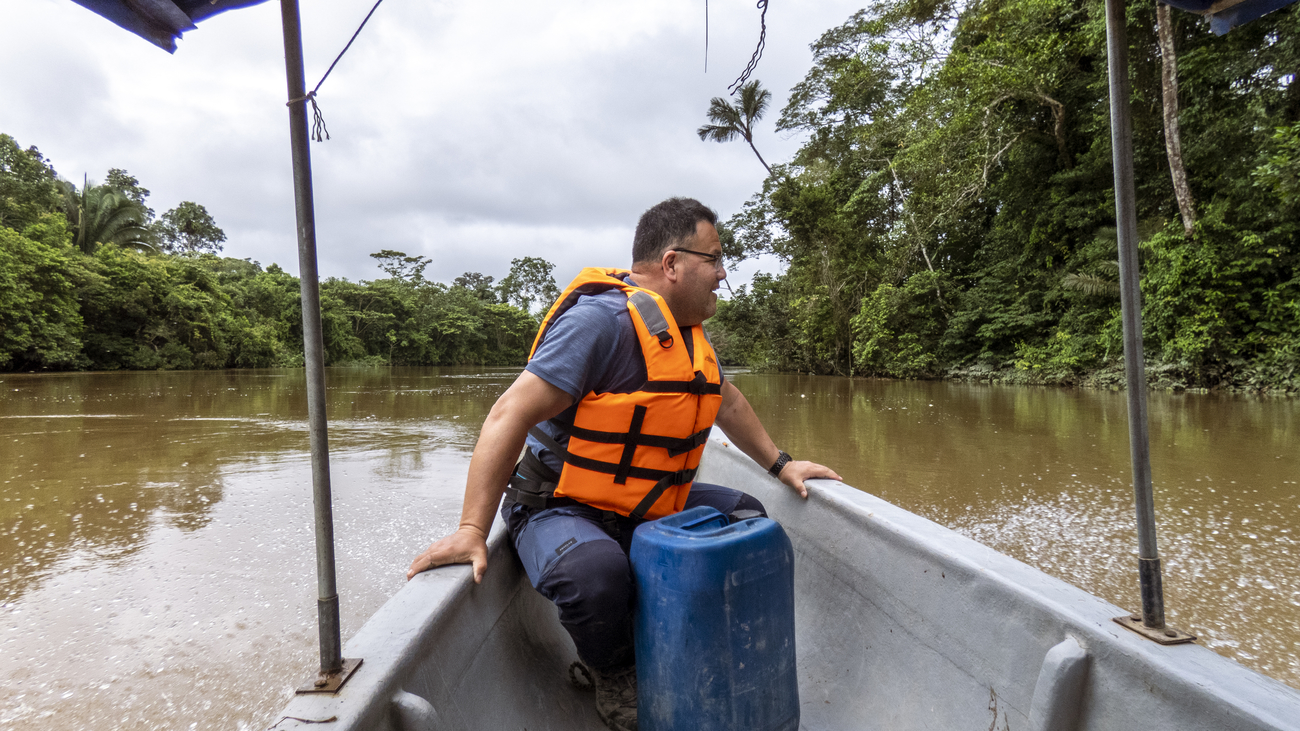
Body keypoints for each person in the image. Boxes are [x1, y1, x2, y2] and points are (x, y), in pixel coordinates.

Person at [407, 197, 840, 731]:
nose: (724, 274)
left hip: (644, 501)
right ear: (672, 263)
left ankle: (671, 642)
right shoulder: (600, 322)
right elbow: (506, 415)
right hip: (558, 503)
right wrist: (472, 528)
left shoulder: (689, 333)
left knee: (745, 517)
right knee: (595, 576)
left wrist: (782, 466)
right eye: (715, 258)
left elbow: (726, 402)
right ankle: (611, 671)